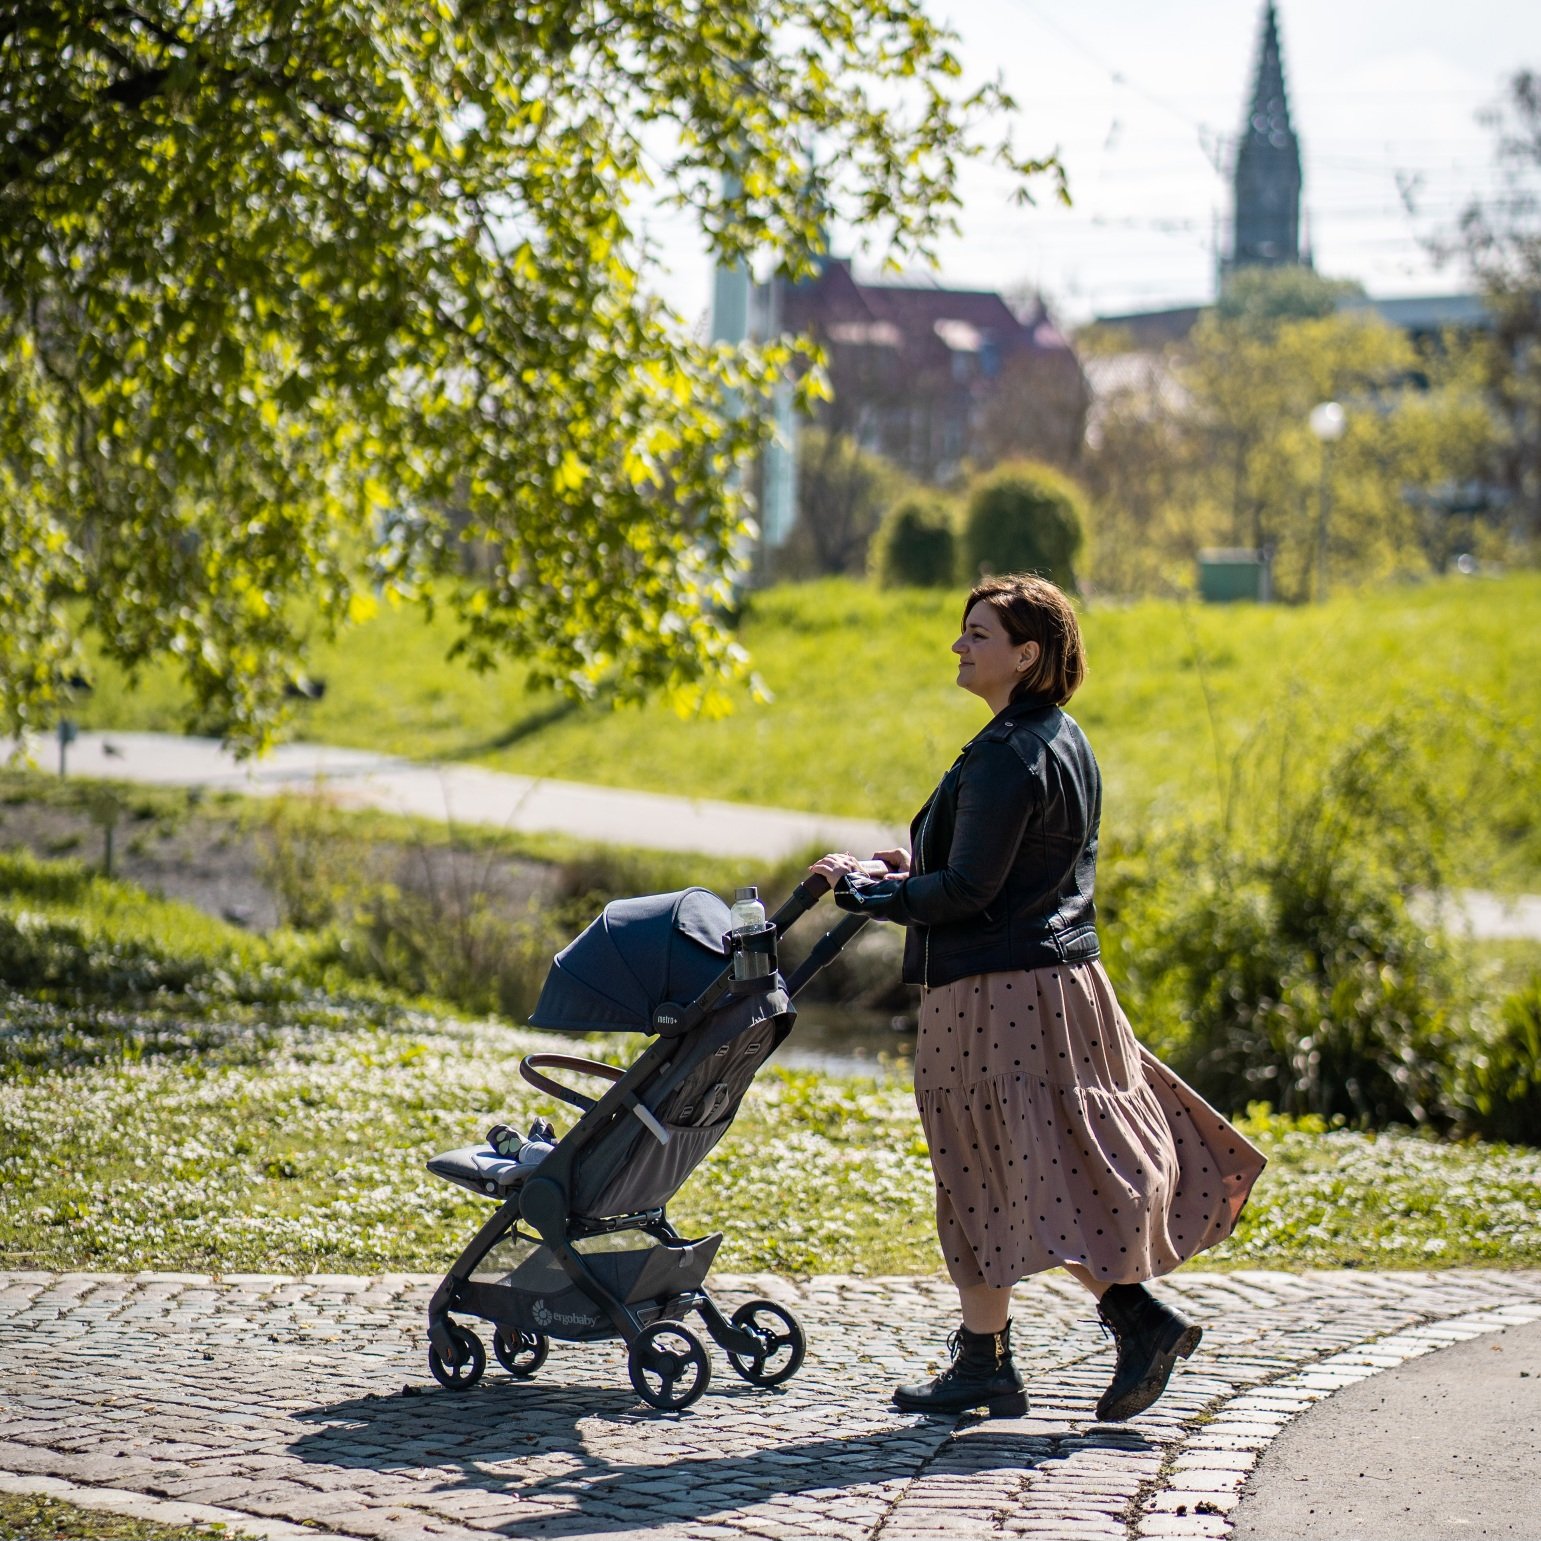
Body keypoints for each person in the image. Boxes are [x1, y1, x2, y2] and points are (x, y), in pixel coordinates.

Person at [810, 573, 1265, 1422]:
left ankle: (1135, 1320)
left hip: (995, 992)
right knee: (1001, 1163)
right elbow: (1002, 871)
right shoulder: (1060, 739)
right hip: (1059, 983)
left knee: (1006, 1164)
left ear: (1027, 653)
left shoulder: (1005, 755)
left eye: (976, 633)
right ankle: (985, 1359)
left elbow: (970, 893)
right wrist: (909, 872)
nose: (959, 645)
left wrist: (869, 895)